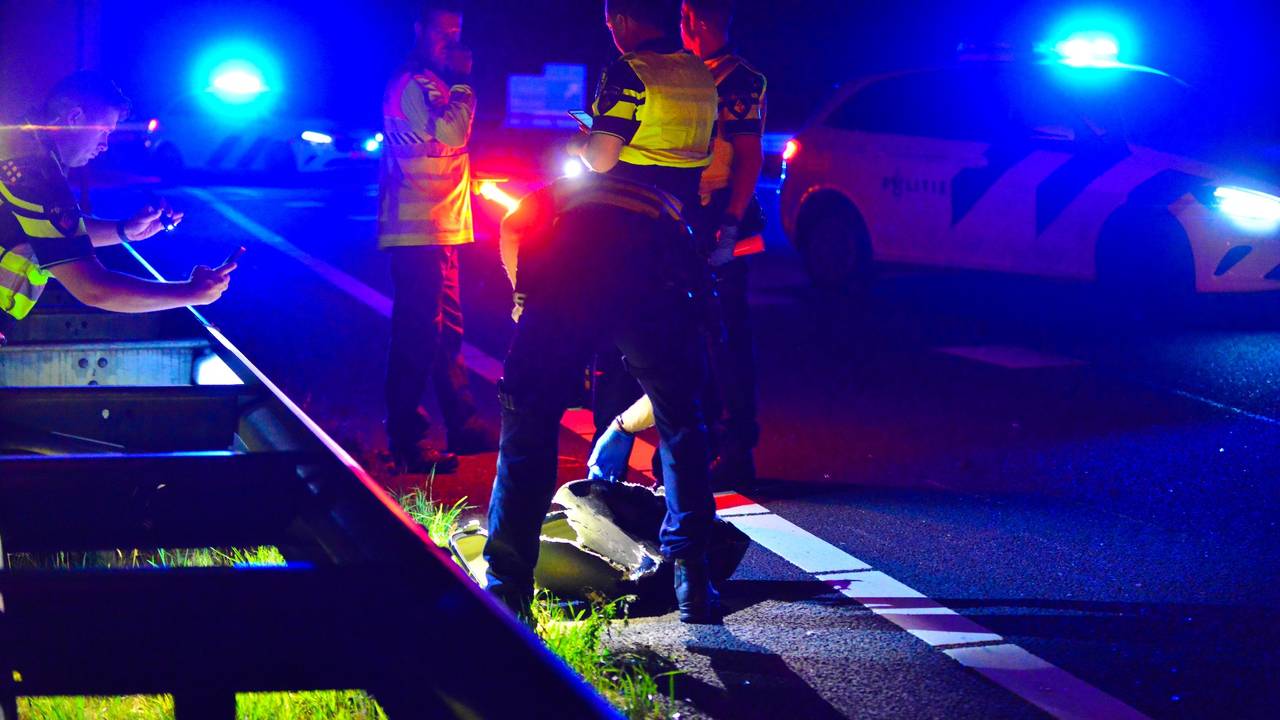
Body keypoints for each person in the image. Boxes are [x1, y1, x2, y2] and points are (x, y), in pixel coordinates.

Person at [483, 0, 724, 623]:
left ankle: (507, 587)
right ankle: (694, 582)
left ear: (618, 19)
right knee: (680, 416)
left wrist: (583, 135)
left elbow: (600, 157)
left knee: (528, 409)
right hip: (666, 255)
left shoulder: (629, 68)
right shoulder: (699, 76)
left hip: (587, 252)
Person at [588, 0, 768, 487]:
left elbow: (748, 157)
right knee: (691, 337)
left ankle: (732, 448)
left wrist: (729, 225)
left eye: (685, 17)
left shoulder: (734, 79)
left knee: (722, 338)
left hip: (717, 224)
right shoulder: (695, 72)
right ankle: (695, 449)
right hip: (690, 221)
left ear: (696, 21)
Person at [0, 71, 233, 345]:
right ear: (74, 118)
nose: (105, 145)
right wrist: (191, 294)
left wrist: (126, 231)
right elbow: (93, 289)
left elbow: (46, 230)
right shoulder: (30, 170)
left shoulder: (21, 150)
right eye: (104, 131)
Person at [378, 0, 495, 475]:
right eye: (443, 32)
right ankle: (408, 439)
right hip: (417, 231)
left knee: (447, 334)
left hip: (440, 226)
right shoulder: (412, 84)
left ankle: (463, 424)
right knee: (417, 337)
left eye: (457, 32)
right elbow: (452, 133)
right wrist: (466, 81)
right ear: (418, 30)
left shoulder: (433, 84)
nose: (453, 41)